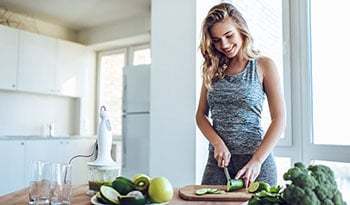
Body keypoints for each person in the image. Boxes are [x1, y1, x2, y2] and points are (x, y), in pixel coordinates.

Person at [196, 2, 286, 188]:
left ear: (241, 30)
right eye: (217, 40)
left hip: (256, 162)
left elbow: (280, 118)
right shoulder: (211, 69)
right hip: (219, 163)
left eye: (229, 36)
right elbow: (201, 115)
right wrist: (217, 143)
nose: (225, 45)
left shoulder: (263, 65)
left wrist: (257, 161)